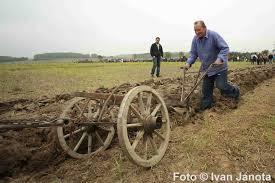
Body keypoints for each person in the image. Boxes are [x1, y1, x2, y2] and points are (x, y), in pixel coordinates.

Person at [183, 20, 240, 110]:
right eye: (195, 31)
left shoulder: (213, 35)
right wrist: (188, 63)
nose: (197, 32)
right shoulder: (195, 39)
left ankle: (235, 91)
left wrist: (219, 59)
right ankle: (205, 109)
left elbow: (225, 48)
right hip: (207, 70)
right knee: (206, 91)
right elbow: (193, 54)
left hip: (219, 68)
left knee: (221, 86)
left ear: (205, 28)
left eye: (199, 30)